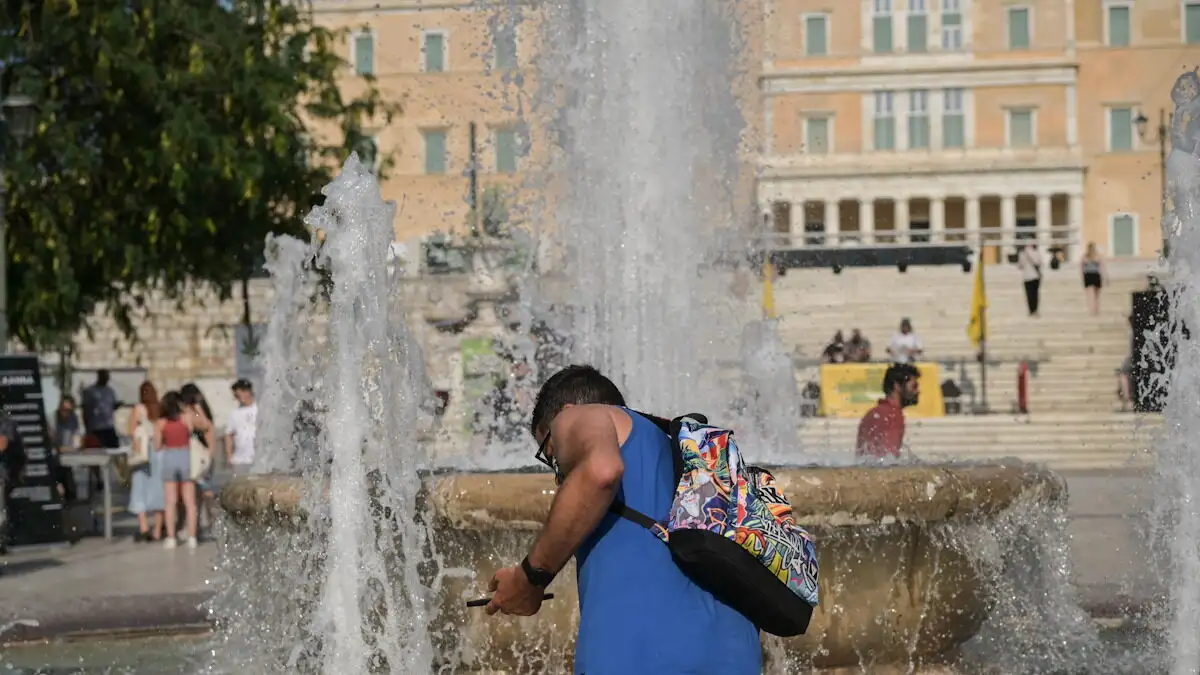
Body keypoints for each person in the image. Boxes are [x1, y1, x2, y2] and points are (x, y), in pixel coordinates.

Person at [484, 365, 761, 674]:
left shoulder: (577, 416)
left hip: (639, 653)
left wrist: (529, 578)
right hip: (735, 654)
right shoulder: (678, 451)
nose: (559, 477)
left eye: (551, 454)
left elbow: (601, 472)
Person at [154, 391, 199, 549]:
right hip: (186, 456)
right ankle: (192, 537)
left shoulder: (161, 423)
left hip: (169, 457)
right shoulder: (186, 418)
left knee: (170, 501)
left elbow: (157, 446)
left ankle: (171, 537)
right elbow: (194, 431)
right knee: (190, 501)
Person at [856, 363, 921, 458]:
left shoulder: (872, 413)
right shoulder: (893, 415)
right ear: (897, 386)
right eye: (914, 386)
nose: (917, 391)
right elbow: (889, 457)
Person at [127, 382, 164, 542]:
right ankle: (158, 530)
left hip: (143, 452)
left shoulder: (139, 409)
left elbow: (130, 431)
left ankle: (143, 527)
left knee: (139, 488)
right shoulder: (160, 409)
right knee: (158, 490)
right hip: (159, 451)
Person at [180, 384, 216, 535]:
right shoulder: (202, 411)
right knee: (199, 493)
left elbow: (205, 425)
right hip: (206, 457)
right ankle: (203, 524)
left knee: (203, 492)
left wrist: (195, 409)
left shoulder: (194, 413)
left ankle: (209, 523)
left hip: (201, 458)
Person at [80, 369, 121, 449]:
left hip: (109, 426)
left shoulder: (110, 391)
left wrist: (117, 405)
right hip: (96, 428)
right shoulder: (91, 391)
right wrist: (87, 429)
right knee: (97, 450)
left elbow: (111, 406)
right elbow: (86, 410)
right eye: (104, 377)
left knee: (114, 448)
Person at [224, 379, 258, 475]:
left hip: (256, 457)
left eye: (240, 395)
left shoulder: (259, 409)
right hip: (239, 459)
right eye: (237, 396)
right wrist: (229, 455)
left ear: (248, 391)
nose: (239, 398)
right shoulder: (234, 413)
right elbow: (228, 434)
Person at [1017, 243, 1043, 317]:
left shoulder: (1022, 254)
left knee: (1029, 294)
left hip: (1027, 277)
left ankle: (1031, 310)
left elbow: (1020, 266)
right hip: (1035, 276)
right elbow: (1039, 262)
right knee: (1035, 294)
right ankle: (1035, 310)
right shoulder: (1036, 253)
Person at [1081, 243, 1107, 316]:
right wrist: (1105, 276)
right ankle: (1095, 309)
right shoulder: (1097, 256)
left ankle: (1092, 310)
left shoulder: (1085, 256)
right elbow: (1102, 266)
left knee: (1090, 294)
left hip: (1088, 275)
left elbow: (1081, 268)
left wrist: (1082, 277)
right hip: (1095, 275)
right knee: (1096, 295)